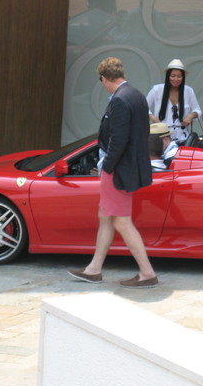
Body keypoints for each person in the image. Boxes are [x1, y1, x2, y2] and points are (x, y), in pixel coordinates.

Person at [68, 57, 158, 288]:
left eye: (102, 81)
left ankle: (147, 273)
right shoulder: (136, 95)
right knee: (106, 215)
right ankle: (94, 269)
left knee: (121, 221)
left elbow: (118, 140)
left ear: (105, 79)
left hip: (117, 170)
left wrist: (106, 167)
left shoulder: (119, 100)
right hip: (127, 168)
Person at [146, 59, 202, 143]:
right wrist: (154, 118)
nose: (176, 79)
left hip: (182, 137)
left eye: (179, 76)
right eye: (173, 76)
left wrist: (190, 116)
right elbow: (142, 107)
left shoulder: (188, 91)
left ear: (183, 78)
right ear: (168, 76)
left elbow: (197, 110)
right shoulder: (157, 90)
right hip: (161, 137)